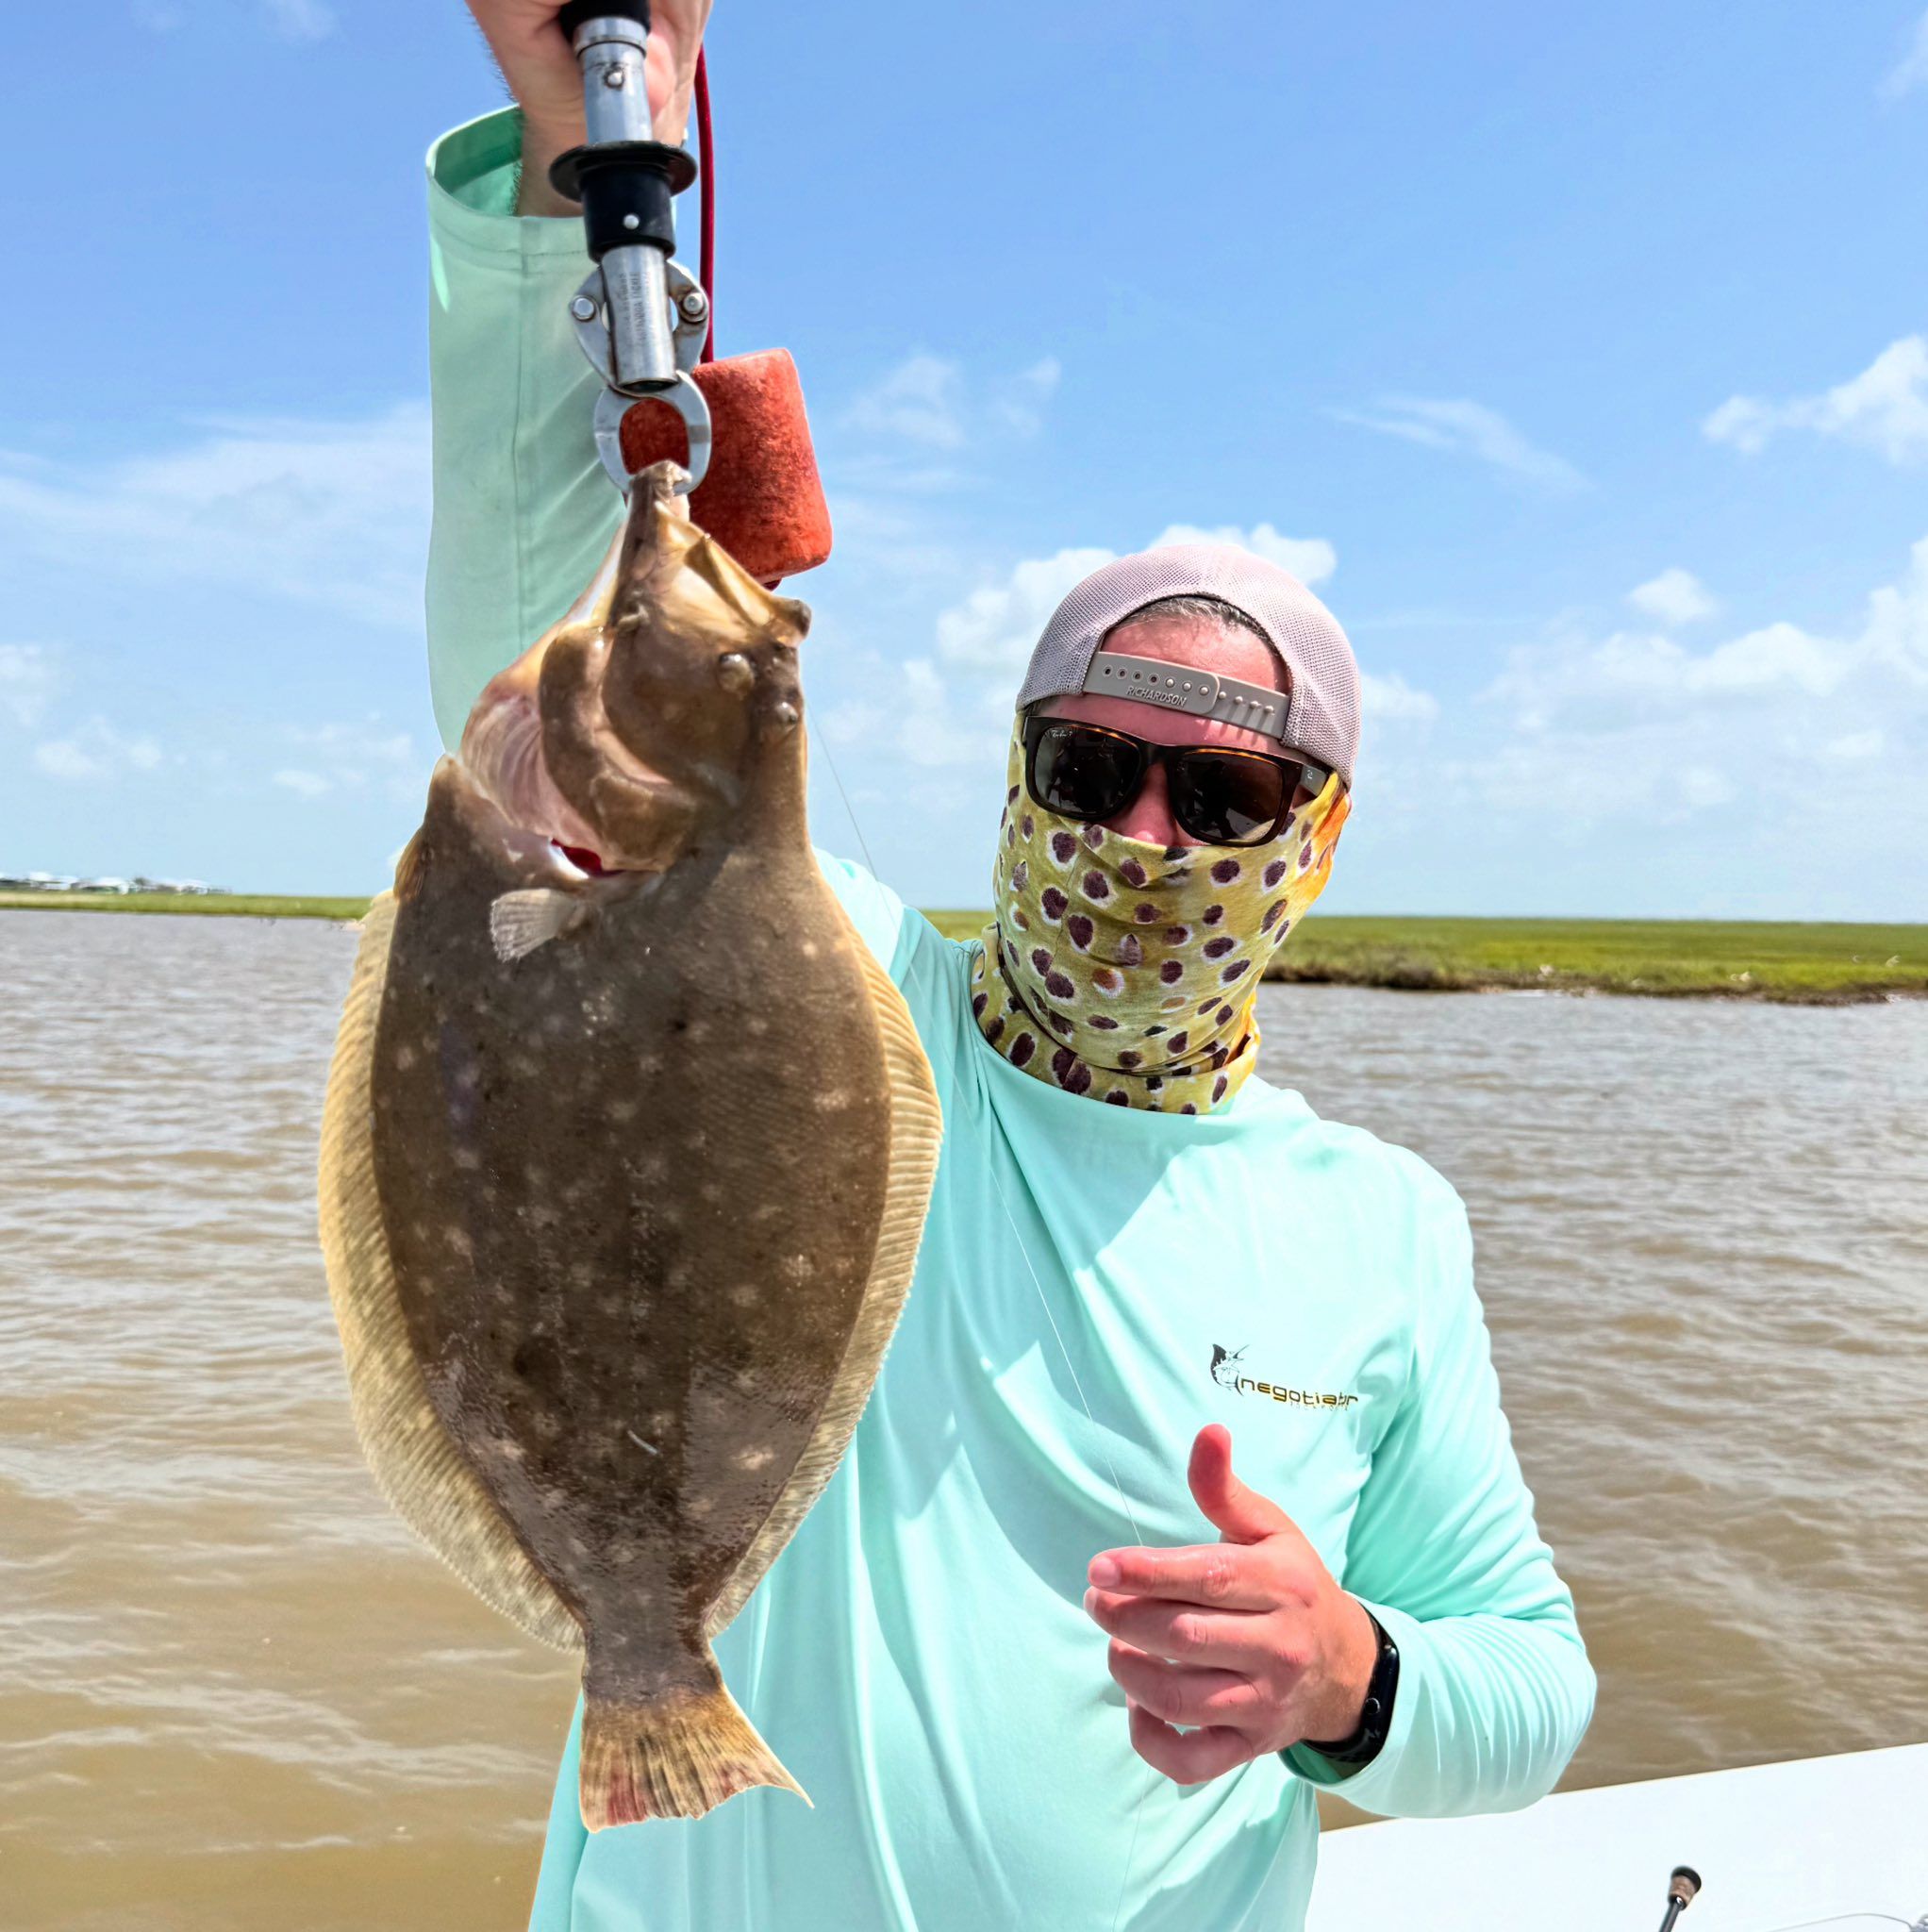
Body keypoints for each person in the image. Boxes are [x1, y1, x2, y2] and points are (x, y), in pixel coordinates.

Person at [424, 6, 1597, 1926]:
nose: (1140, 838)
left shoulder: (1376, 1225)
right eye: (1086, 768)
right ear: (1012, 776)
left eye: (1219, 794)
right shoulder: (851, 1004)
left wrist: (1343, 1677)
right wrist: (573, 151)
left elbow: (1529, 1691)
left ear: (1317, 841)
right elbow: (546, 661)